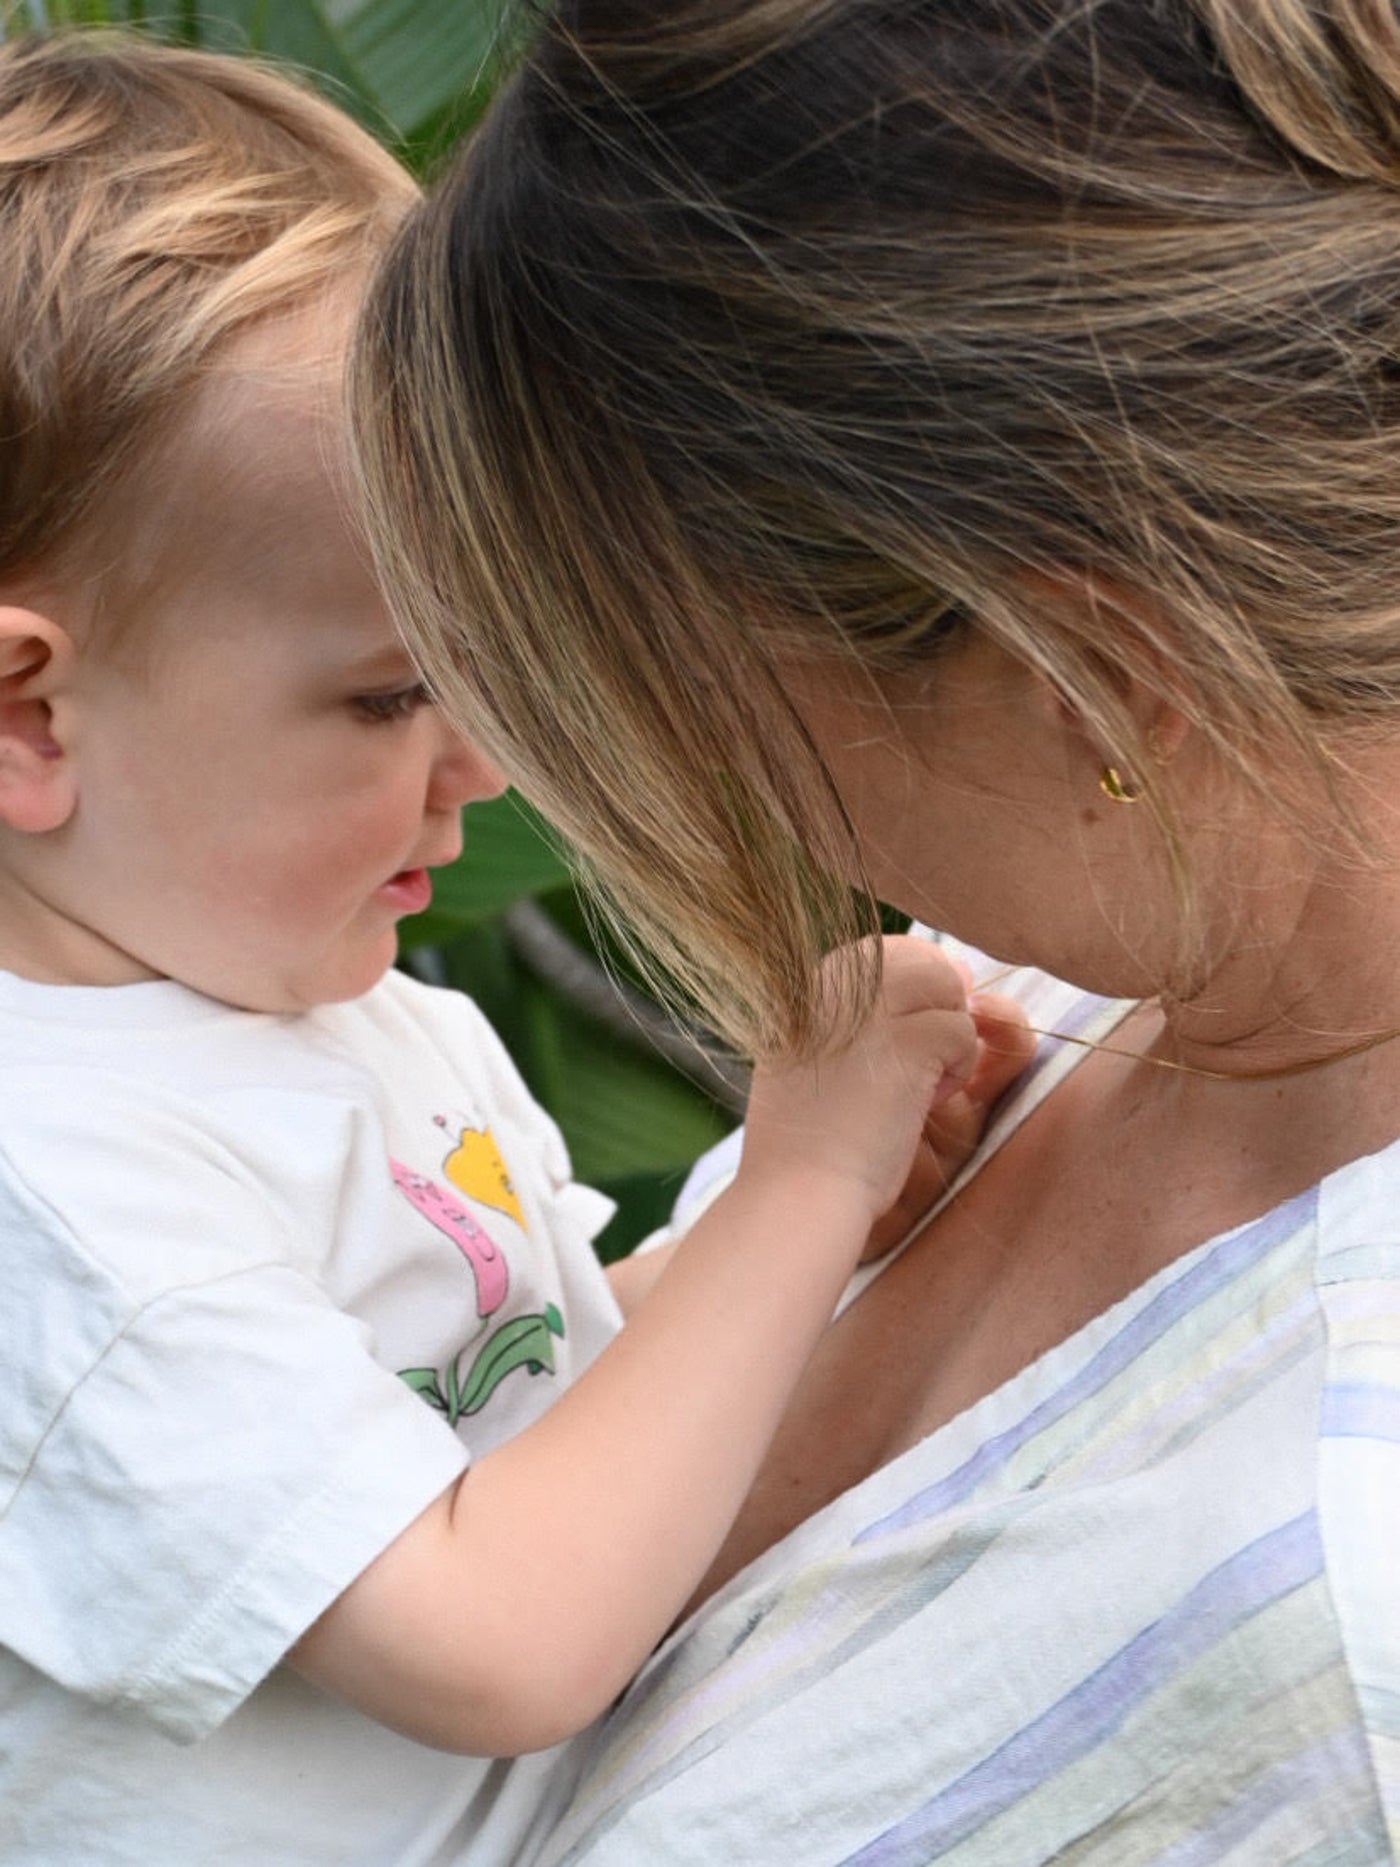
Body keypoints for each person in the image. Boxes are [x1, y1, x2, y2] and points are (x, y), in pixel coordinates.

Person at [352, 0, 1400, 1859]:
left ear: (1084, 684)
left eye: (667, 682)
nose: (661, 773)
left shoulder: (1327, 1614)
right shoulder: (1026, 988)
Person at [0, 31, 1030, 1866]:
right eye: (388, 695)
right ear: (27, 714)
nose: (482, 761)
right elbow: (494, 1635)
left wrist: (751, 1255)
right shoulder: (61, 1203)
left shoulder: (310, 1000)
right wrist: (800, 1174)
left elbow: (511, 1411)